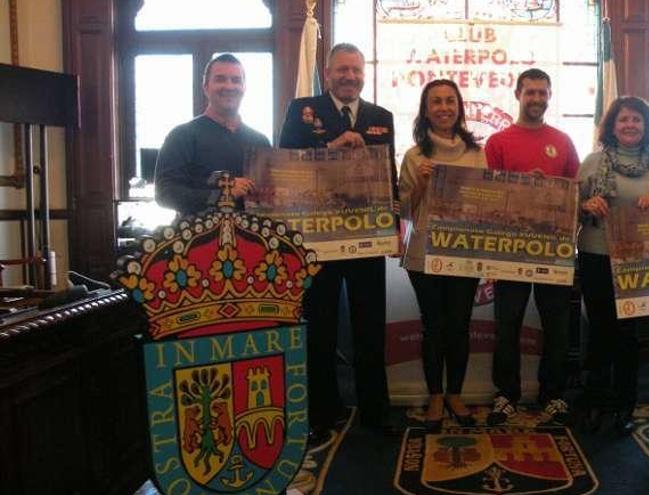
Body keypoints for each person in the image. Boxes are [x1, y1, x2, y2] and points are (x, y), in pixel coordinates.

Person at [278, 43, 396, 439]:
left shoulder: (382, 117)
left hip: (366, 238)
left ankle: (375, 411)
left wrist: (391, 225)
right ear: (327, 73)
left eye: (356, 70)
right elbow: (285, 166)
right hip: (317, 239)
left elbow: (388, 180)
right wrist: (330, 148)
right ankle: (321, 411)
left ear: (364, 74)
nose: (350, 77)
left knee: (370, 326)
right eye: (342, 70)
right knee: (321, 327)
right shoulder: (302, 110)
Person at [484, 68, 579, 427]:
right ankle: (506, 395)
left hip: (553, 250)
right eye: (531, 92)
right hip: (510, 250)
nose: (537, 99)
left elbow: (574, 195)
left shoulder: (564, 141)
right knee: (506, 324)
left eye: (543, 92)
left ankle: (552, 394)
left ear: (549, 96)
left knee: (556, 325)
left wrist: (549, 188)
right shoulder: (498, 142)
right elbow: (489, 199)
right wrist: (522, 188)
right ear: (518, 94)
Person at [579, 96, 649, 435]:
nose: (630, 125)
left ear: (646, 126)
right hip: (596, 256)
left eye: (636, 119)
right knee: (600, 331)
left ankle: (624, 405)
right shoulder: (591, 162)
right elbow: (569, 209)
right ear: (612, 127)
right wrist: (586, 203)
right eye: (623, 120)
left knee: (628, 335)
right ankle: (594, 400)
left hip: (637, 262)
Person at [399, 79, 486, 431]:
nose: (444, 107)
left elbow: (485, 204)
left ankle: (455, 393)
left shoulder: (476, 152)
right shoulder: (413, 155)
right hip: (423, 253)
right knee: (434, 327)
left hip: (464, 253)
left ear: (459, 107)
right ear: (426, 109)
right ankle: (435, 395)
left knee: (460, 326)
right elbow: (404, 210)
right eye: (436, 102)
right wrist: (419, 183)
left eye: (450, 101)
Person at [155, 54, 269, 215]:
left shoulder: (260, 142)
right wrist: (224, 195)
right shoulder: (181, 136)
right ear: (206, 87)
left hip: (251, 238)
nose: (229, 86)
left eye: (236, 80)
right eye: (220, 79)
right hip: (198, 238)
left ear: (244, 87)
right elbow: (165, 194)